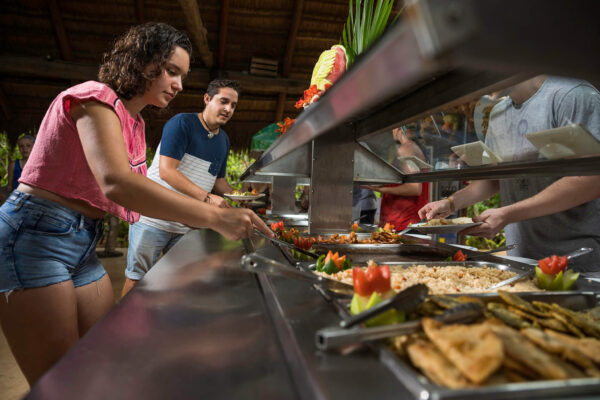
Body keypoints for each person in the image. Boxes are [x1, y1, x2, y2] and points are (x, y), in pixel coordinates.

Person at [0, 22, 271, 386]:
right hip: (35, 235)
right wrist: (212, 216)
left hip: (82, 242)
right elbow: (116, 184)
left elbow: (140, 192)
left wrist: (221, 210)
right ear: (143, 61)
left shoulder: (136, 123)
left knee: (103, 358)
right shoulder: (95, 97)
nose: (177, 85)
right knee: (59, 384)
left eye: (182, 76)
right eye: (171, 71)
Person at [419, 75, 600, 272]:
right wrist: (451, 203)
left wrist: (508, 214)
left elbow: (591, 180)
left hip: (578, 261)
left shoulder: (570, 96)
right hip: (522, 260)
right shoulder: (497, 113)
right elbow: (494, 179)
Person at [123, 79, 240, 296]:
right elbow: (167, 171)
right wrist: (207, 199)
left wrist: (242, 199)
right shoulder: (182, 124)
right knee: (138, 280)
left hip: (186, 224)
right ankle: (123, 329)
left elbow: (218, 182)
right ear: (207, 99)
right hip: (152, 219)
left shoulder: (223, 141)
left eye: (233, 105)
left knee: (178, 284)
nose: (228, 109)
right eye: (224, 101)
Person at [364, 127, 429, 230]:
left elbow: (415, 188)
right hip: (405, 222)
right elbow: (404, 180)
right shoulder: (412, 147)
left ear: (399, 128)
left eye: (393, 128)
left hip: (404, 223)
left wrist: (380, 189)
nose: (391, 132)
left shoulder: (405, 149)